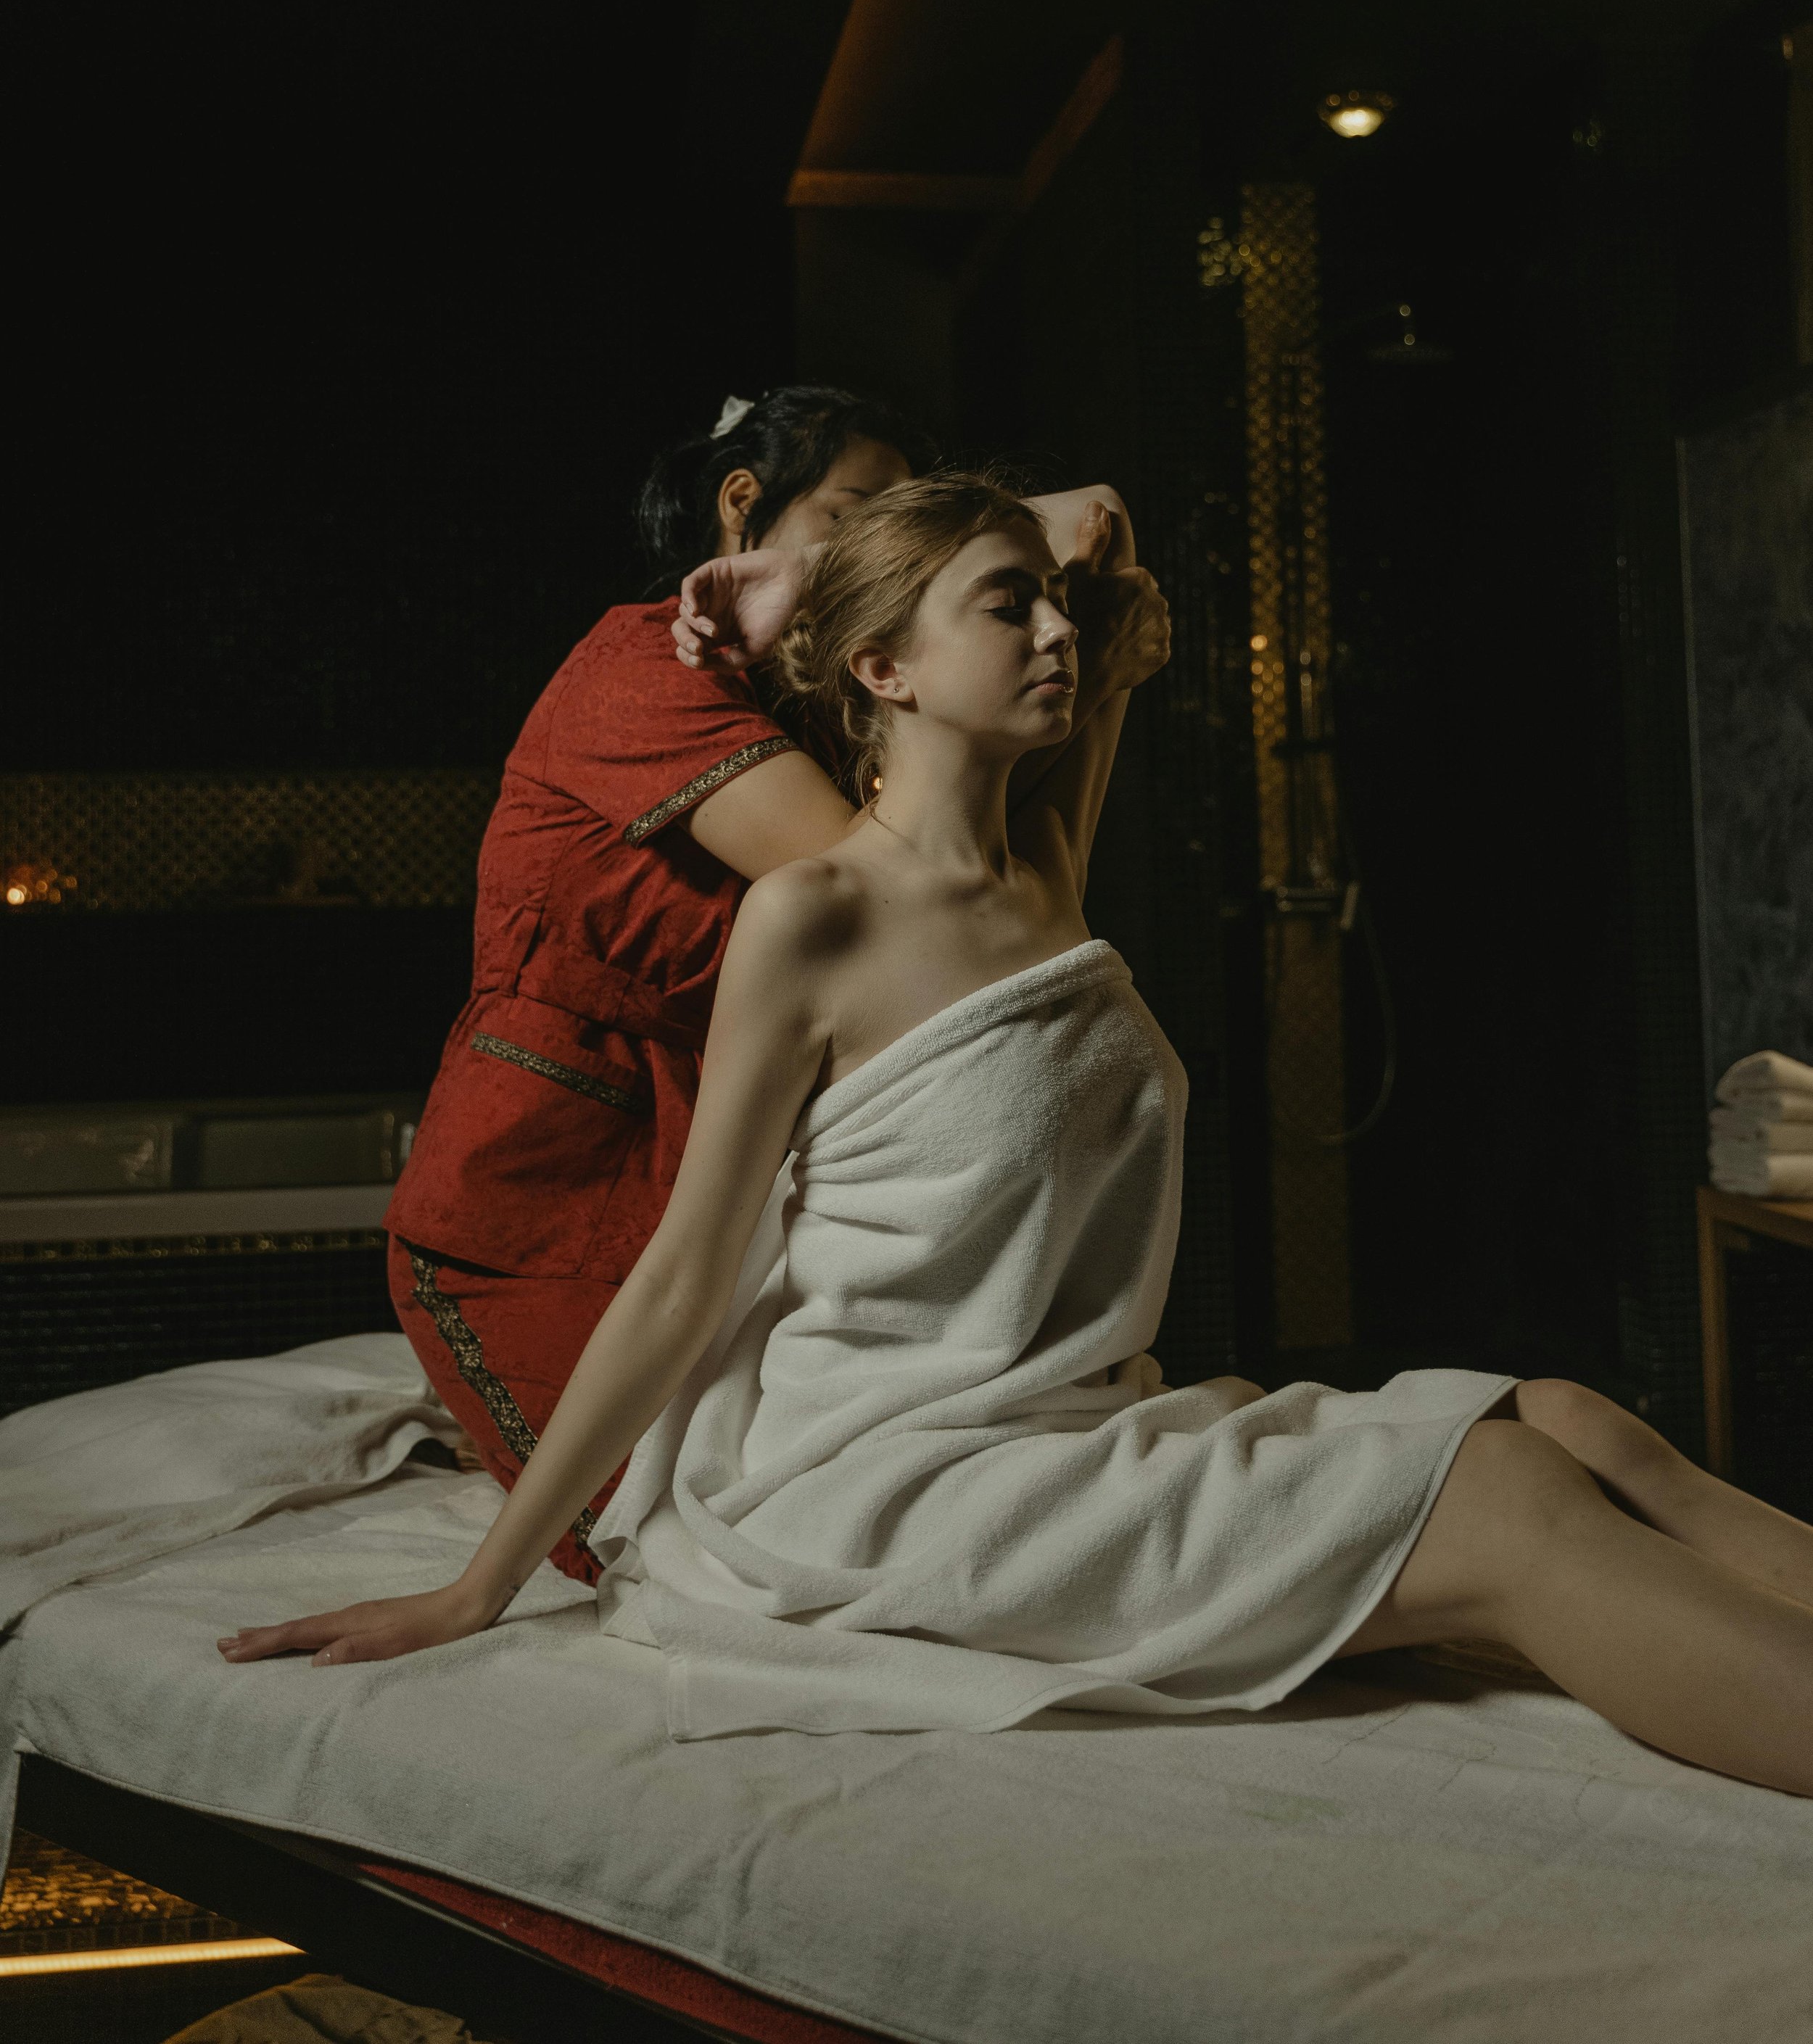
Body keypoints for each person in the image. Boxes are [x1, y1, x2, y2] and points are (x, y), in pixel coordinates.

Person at [225, 473, 1813, 1795]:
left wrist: (1012, 550)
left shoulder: (1042, 866)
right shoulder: (817, 916)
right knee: (1511, 1509)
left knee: (1566, 1420)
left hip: (1049, 1426)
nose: (1052, 629)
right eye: (1003, 608)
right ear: (883, 672)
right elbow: (684, 1273)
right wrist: (481, 1581)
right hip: (880, 1480)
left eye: (1042, 607)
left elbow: (1097, 536)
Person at [383, 392, 1170, 1578]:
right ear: (743, 502)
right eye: (858, 518)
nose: (876, 550)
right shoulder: (640, 664)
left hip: (721, 1176)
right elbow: (905, 901)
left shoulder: (795, 700)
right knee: (652, 1538)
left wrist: (1055, 628)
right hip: (542, 1184)